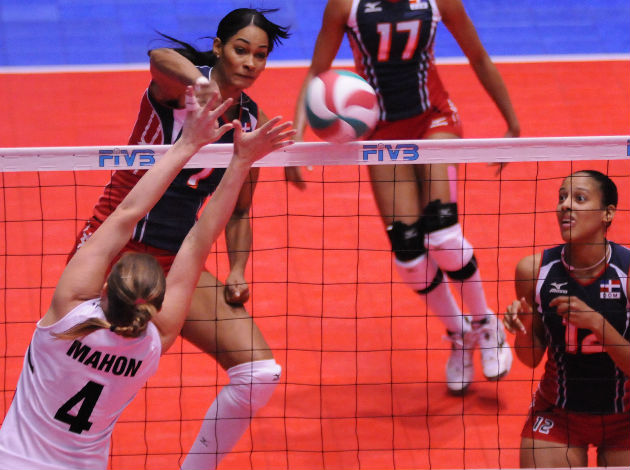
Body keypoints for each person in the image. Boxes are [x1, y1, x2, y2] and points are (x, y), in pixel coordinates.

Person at [0, 87, 294, 469]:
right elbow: (199, 241)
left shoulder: (69, 315)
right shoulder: (153, 345)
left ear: (105, 286)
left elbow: (127, 213)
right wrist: (241, 161)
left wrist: (187, 143)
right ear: (155, 305)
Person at [72, 9, 293, 469]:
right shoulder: (181, 91)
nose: (250, 63)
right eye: (241, 50)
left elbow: (240, 209)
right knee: (92, 374)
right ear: (218, 47)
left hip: (174, 262)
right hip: (114, 252)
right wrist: (199, 81)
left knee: (258, 373)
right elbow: (159, 58)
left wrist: (237, 269)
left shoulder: (249, 119)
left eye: (260, 55)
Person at [292, 0, 519, 393]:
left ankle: (486, 323)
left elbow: (479, 57)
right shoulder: (345, 6)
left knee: (444, 236)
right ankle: (459, 332)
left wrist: (512, 124)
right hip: (380, 131)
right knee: (409, 255)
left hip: (435, 118)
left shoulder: (438, 2)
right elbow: (317, 73)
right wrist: (296, 141)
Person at [504, 170, 630, 468]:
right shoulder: (533, 271)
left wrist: (597, 324)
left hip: (626, 416)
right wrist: (523, 328)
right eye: (562, 197)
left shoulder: (627, 272)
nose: (565, 205)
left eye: (579, 198)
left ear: (608, 213)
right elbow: (530, 359)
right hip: (558, 413)